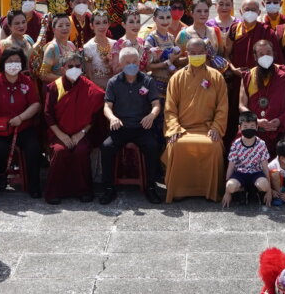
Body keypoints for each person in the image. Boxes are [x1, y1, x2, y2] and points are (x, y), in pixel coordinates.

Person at [239, 41, 285, 196]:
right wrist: (255, 121)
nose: (266, 56)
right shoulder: (249, 75)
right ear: (255, 56)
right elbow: (242, 106)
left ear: (274, 54)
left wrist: (280, 120)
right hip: (255, 126)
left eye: (269, 53)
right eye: (261, 54)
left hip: (281, 127)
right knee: (236, 143)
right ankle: (244, 187)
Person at [163, 37, 228, 202]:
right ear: (187, 54)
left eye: (200, 53)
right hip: (183, 129)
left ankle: (210, 192)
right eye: (193, 53)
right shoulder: (176, 78)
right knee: (176, 145)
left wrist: (216, 128)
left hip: (207, 129)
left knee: (213, 147)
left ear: (206, 54)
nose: (197, 55)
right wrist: (175, 129)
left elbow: (222, 107)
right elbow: (170, 109)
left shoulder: (216, 77)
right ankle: (178, 191)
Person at [99, 47, 164, 204]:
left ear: (139, 62)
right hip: (120, 126)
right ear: (121, 63)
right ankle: (108, 189)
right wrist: (113, 118)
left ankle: (150, 187)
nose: (132, 65)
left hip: (142, 126)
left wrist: (152, 115)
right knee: (106, 147)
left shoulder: (147, 81)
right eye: (127, 62)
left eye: (134, 62)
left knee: (153, 147)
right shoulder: (113, 82)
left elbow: (156, 104)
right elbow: (107, 106)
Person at [0, 45, 43, 196]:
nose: (13, 64)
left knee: (34, 147)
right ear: (3, 63)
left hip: (23, 126)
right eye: (10, 61)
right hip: (0, 129)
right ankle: (1, 175)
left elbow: (36, 104)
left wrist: (21, 118)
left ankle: (33, 184)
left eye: (17, 61)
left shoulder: (26, 81)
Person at [43, 50, 102, 204]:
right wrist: (61, 136)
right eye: (70, 66)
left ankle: (83, 191)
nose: (74, 69)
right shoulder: (55, 87)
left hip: (81, 132)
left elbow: (95, 114)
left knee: (81, 151)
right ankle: (54, 192)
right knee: (60, 151)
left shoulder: (88, 86)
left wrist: (81, 133)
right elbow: (48, 114)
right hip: (59, 132)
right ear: (63, 68)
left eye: (77, 65)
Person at [223, 124, 272, 207]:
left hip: (256, 173)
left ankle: (256, 191)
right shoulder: (236, 144)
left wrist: (269, 191)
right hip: (240, 174)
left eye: (252, 126)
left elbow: (265, 168)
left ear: (256, 127)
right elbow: (230, 168)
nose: (249, 129)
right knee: (230, 186)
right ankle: (242, 190)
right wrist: (227, 192)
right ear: (240, 128)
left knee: (264, 185)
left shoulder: (261, 144)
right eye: (245, 127)